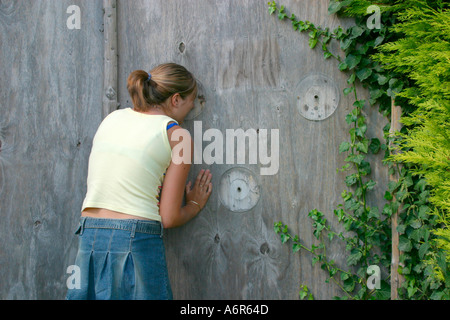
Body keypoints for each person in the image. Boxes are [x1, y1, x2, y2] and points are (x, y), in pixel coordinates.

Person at [66, 63, 212, 300]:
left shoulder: (112, 118)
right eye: (191, 101)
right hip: (135, 237)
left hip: (90, 235)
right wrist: (194, 205)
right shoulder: (178, 136)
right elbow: (169, 217)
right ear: (176, 100)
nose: (193, 106)